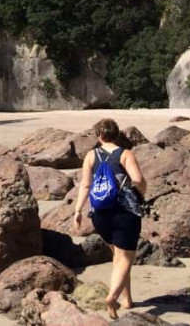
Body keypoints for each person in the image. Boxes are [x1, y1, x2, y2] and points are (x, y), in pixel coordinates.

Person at [73, 118, 146, 320]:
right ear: (117, 134)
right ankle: (112, 297)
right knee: (125, 257)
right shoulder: (125, 154)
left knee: (118, 257)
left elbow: (85, 186)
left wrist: (78, 211)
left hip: (100, 214)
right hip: (124, 212)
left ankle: (127, 300)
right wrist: (141, 194)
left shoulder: (90, 156)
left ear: (99, 135)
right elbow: (138, 179)